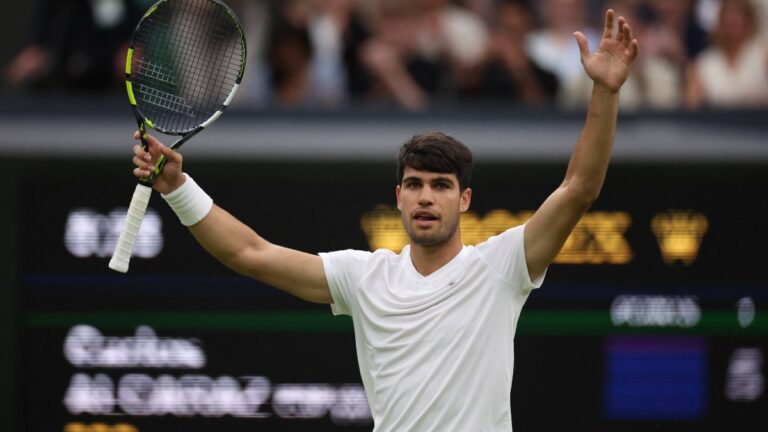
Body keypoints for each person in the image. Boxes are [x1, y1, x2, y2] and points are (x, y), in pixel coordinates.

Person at [130, 9, 638, 431]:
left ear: (463, 200)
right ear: (398, 197)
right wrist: (177, 188)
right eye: (415, 185)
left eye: (441, 186)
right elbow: (251, 253)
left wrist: (606, 93)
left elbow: (579, 189)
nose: (426, 197)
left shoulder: (502, 266)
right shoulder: (364, 277)